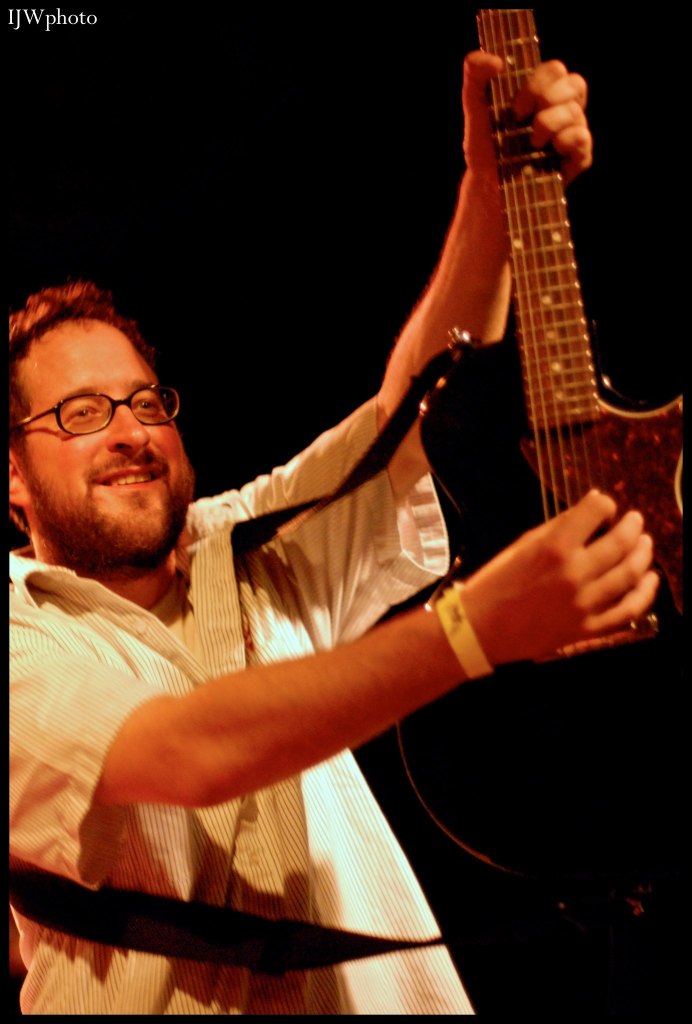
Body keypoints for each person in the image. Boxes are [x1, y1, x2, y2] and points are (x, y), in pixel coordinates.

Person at [9, 51, 659, 1016]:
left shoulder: (249, 545)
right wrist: (470, 632)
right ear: (10, 479)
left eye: (147, 401)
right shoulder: (18, 632)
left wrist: (492, 193)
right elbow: (180, 755)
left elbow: (405, 412)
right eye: (80, 413)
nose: (131, 433)